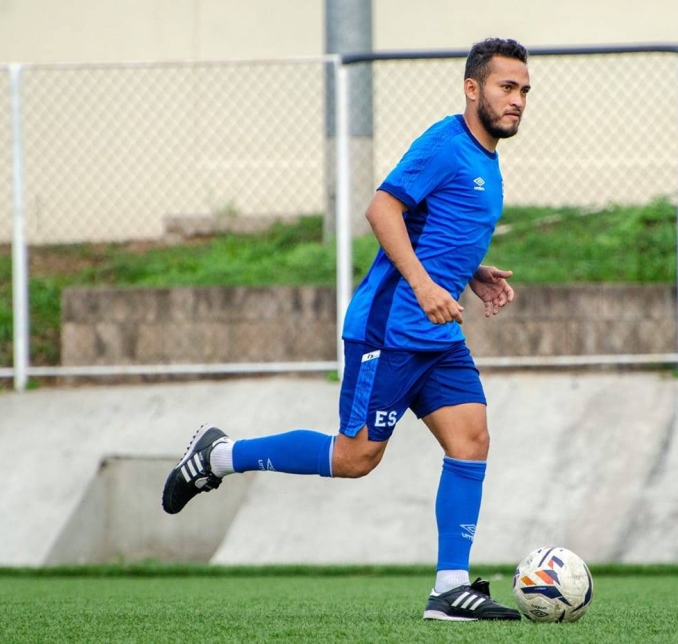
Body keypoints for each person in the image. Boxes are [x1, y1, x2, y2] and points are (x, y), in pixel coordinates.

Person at [162, 37, 532, 621]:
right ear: (472, 88)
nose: (517, 101)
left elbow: (432, 227)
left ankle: (450, 588)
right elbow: (382, 207)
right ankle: (218, 456)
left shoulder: (486, 157)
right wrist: (425, 285)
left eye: (524, 91)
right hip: (390, 330)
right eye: (506, 88)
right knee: (357, 456)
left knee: (472, 440)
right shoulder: (445, 144)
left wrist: (469, 273)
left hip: (437, 335)